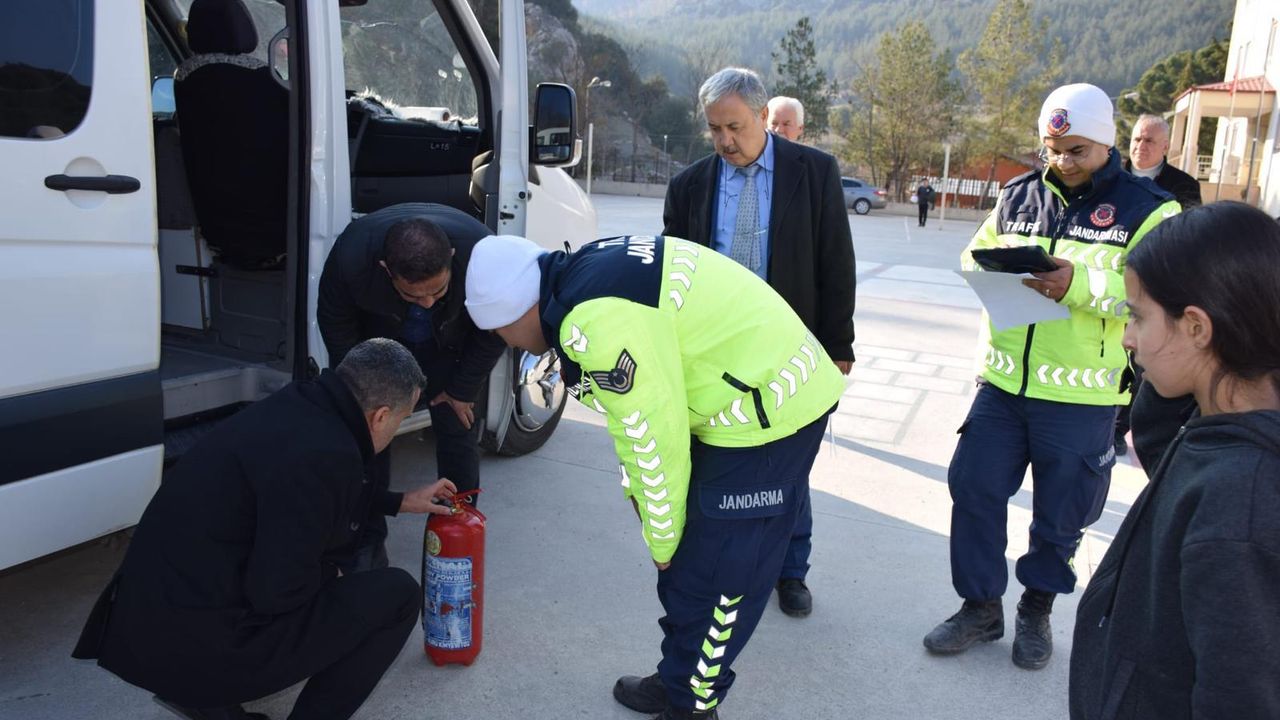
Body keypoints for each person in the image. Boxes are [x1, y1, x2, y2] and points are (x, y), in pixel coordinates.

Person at [464, 234, 844, 720]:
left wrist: (662, 541)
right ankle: (678, 678)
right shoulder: (577, 276)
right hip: (734, 391)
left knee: (717, 579)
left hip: (769, 408)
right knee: (693, 570)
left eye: (500, 330)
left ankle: (692, 707)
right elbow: (635, 420)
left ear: (517, 310)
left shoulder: (596, 320)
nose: (506, 343)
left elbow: (651, 440)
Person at [922, 83, 1180, 670]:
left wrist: (1079, 286)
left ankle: (1036, 609)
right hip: (1003, 382)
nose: (1062, 162)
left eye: (1076, 151)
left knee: (1061, 517)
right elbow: (974, 253)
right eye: (1052, 149)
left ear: (1107, 143)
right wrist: (996, 268)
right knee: (973, 490)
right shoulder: (1018, 194)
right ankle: (980, 607)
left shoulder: (1150, 209)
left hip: (1080, 395)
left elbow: (1157, 297)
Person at [72, 339, 458, 720]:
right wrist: (332, 575)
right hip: (191, 653)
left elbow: (302, 496)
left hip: (151, 630)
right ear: (380, 416)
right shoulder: (328, 454)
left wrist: (399, 501)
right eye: (401, 419)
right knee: (396, 595)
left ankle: (204, 701)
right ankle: (210, 691)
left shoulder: (298, 407)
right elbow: (278, 592)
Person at [1069, 202, 1280, 718]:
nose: (1127, 337)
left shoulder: (1239, 502)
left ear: (1197, 327)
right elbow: (1157, 433)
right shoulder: (1209, 419)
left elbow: (1239, 698)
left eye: (1138, 317)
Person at [662, 67, 855, 619]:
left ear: (763, 116)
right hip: (715, 352)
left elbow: (836, 261)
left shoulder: (813, 172)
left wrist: (838, 345)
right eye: (714, 129)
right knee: (716, 462)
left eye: (735, 127)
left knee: (787, 464)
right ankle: (722, 568)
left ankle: (790, 571)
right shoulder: (690, 185)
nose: (725, 140)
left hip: (789, 347)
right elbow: (673, 272)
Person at [318, 203, 506, 573]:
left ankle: (456, 535)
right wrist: (360, 392)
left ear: (452, 257)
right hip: (380, 346)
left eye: (438, 290)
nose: (428, 302)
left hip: (449, 348)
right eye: (413, 295)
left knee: (457, 424)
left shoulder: (484, 256)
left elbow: (496, 328)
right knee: (367, 438)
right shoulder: (351, 258)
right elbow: (336, 324)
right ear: (385, 270)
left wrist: (462, 389)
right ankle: (364, 546)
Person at [1113, 114, 1204, 456]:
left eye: (1149, 140)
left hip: (1155, 285)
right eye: (1136, 139)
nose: (1140, 146)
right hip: (1111, 279)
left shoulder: (1183, 186)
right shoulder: (1112, 177)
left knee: (1141, 360)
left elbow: (1188, 234)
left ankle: (1119, 427)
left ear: (1165, 146)